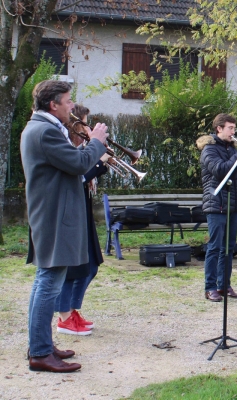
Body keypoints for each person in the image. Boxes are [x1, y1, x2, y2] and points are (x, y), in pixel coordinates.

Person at [21, 80, 108, 372]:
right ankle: (41, 353)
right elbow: (78, 163)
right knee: (48, 284)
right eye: (68, 101)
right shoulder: (45, 131)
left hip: (51, 214)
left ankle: (41, 346)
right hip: (54, 216)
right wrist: (96, 141)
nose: (72, 106)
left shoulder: (41, 128)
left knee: (45, 282)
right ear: (53, 105)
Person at [54, 104, 110, 335]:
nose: (87, 127)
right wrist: (99, 162)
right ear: (74, 125)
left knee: (91, 265)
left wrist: (101, 161)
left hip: (83, 209)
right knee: (73, 268)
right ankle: (64, 316)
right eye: (84, 123)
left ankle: (72, 308)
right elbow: (76, 177)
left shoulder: (81, 147)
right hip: (69, 213)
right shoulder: (66, 148)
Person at [196, 113, 237, 302]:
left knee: (229, 248)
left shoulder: (232, 149)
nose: (233, 132)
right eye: (230, 128)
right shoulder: (209, 149)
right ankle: (210, 287)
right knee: (214, 247)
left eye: (234, 128)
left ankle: (224, 285)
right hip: (216, 204)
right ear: (219, 129)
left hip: (233, 204)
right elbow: (221, 170)